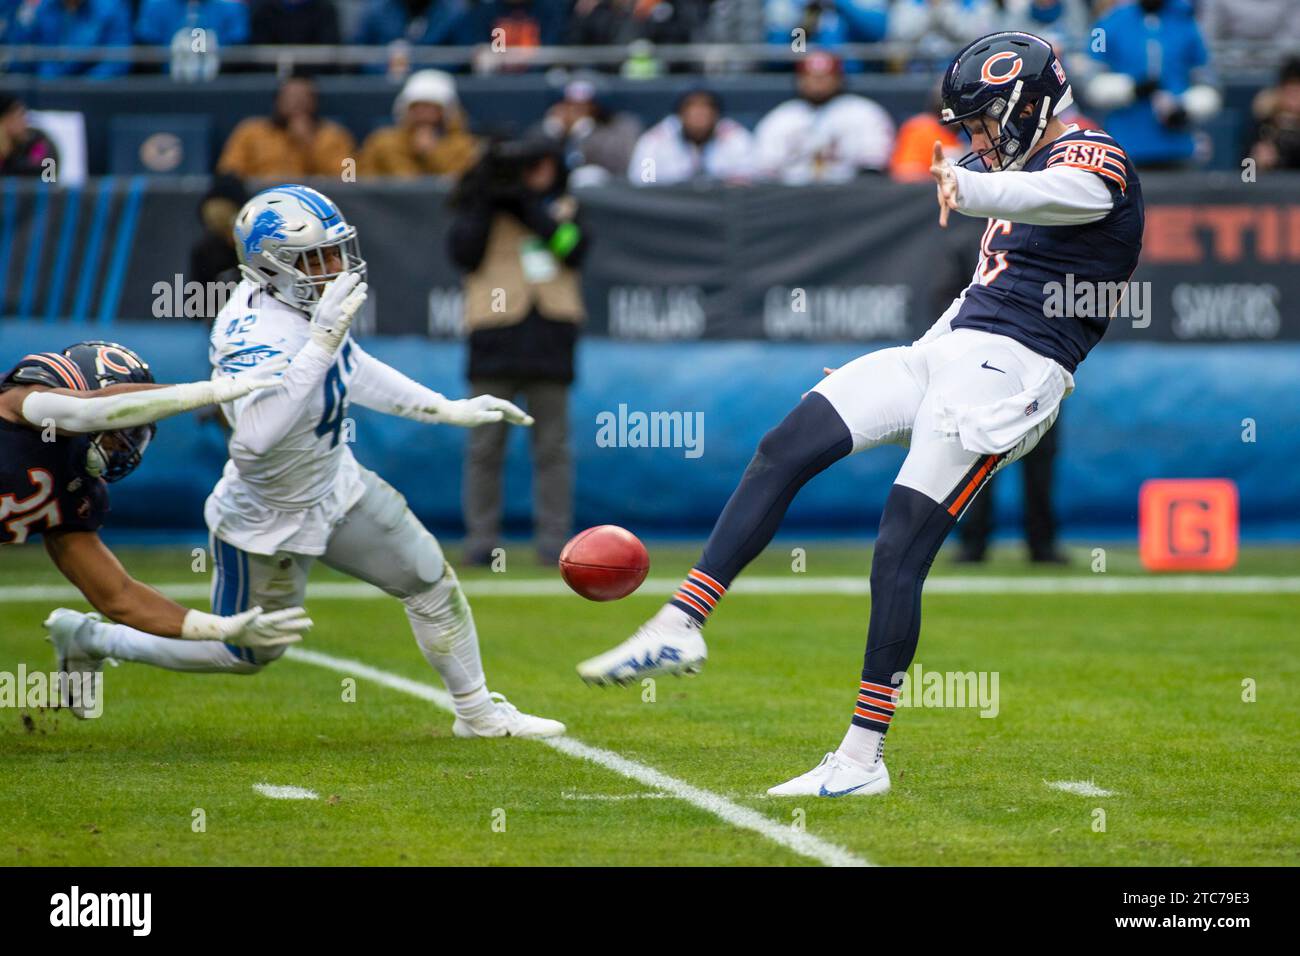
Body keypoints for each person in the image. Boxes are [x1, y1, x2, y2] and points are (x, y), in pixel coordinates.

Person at [577, 32, 1144, 797]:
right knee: (789, 443)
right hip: (954, 347)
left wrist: (973, 188)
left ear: (1023, 105)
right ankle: (679, 624)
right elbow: (989, 284)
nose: (974, 139)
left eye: (981, 121)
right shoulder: (1023, 162)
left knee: (898, 546)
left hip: (1015, 373)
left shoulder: (1090, 155)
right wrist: (919, 356)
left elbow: (1073, 195)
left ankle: (859, 759)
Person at [48, 185, 564, 739]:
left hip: (336, 486)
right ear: (270, 267)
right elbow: (252, 437)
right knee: (244, 654)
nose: (335, 266)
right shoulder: (251, 330)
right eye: (317, 257)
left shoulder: (306, 308)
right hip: (267, 515)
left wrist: (446, 410)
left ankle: (477, 713)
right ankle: (94, 638)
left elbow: (353, 368)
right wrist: (317, 346)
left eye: (338, 251)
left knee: (430, 580)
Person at [1, 342, 307, 715]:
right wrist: (209, 390)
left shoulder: (74, 484)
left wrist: (219, 629)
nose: (122, 442)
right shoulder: (22, 404)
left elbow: (119, 596)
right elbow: (86, 410)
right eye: (122, 428)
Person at [447, 138, 586, 566]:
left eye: (544, 166)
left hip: (549, 337)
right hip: (495, 339)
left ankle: (553, 542)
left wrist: (530, 206)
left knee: (552, 448)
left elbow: (572, 249)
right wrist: (490, 198)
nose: (535, 175)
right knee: (485, 448)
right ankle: (482, 541)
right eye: (528, 168)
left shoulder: (565, 206)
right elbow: (463, 254)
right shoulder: (477, 206)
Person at [1086, 0, 1220, 168]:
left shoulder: (1186, 22)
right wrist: (1131, 88)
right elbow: (1091, 81)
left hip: (1178, 145)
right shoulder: (1111, 22)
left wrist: (1185, 108)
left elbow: (1206, 81)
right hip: (1124, 143)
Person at [755, 50, 895, 184]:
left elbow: (873, 166)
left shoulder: (864, 112)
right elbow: (766, 170)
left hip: (849, 196)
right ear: (799, 80)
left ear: (839, 79)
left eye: (825, 76)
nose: (818, 82)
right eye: (811, 76)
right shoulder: (782, 117)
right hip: (789, 199)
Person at [217, 73, 356, 179]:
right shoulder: (250, 131)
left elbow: (349, 178)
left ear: (315, 102)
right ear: (277, 101)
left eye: (303, 98)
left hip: (314, 208)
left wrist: (308, 144)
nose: (296, 104)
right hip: (261, 203)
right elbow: (228, 172)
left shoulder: (336, 135)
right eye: (290, 97)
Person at [358, 69, 479, 178]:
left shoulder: (464, 147)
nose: (423, 114)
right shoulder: (382, 142)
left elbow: (462, 184)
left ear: (446, 112)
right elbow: (364, 182)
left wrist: (432, 154)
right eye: (416, 107)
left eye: (430, 107)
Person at [628, 88, 756, 185]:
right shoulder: (654, 141)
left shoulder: (736, 137)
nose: (699, 114)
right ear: (680, 114)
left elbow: (752, 179)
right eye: (692, 108)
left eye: (706, 108)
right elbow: (643, 181)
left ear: (716, 115)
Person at [7, 0, 131, 79]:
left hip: (94, 95)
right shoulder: (42, 8)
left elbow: (117, 63)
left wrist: (81, 87)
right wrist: (26, 13)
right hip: (46, 93)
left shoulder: (112, 7)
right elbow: (22, 57)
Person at [1248, 57, 1300, 172]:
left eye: (1297, 92)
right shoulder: (1264, 125)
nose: (1294, 100)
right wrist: (1255, 163)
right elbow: (1245, 178)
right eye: (1289, 92)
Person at [0, 93, 58, 177]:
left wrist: (8, 158)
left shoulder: (37, 141)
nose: (24, 122)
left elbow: (47, 175)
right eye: (18, 117)